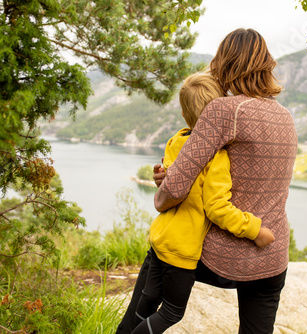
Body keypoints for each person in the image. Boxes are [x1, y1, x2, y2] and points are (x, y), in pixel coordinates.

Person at [117, 28, 297, 334]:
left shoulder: (223, 110)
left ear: (224, 63)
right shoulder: (286, 117)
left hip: (221, 255)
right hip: (272, 255)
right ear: (266, 65)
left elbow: (175, 188)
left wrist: (162, 195)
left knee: (162, 248)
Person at [131, 72, 275, 334]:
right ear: (219, 112)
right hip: (181, 250)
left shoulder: (177, 140)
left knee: (148, 298)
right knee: (171, 313)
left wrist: (162, 179)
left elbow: (176, 185)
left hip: (160, 238)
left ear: (186, 114)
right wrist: (255, 230)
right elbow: (217, 208)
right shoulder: (217, 157)